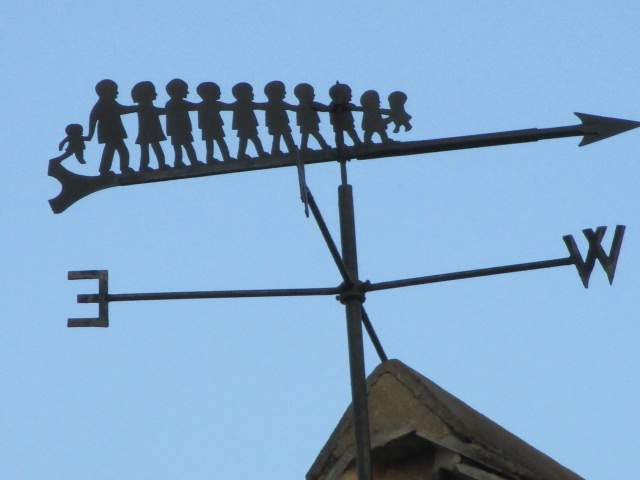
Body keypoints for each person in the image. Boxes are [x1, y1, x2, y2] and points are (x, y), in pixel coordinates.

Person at [87, 79, 136, 175]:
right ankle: (111, 169)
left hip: (114, 132)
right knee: (117, 151)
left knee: (114, 151)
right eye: (114, 90)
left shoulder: (109, 102)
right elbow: (93, 119)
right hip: (110, 133)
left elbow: (122, 109)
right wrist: (90, 135)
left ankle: (116, 168)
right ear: (105, 92)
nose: (117, 92)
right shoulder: (103, 104)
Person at [131, 81, 168, 171]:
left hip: (148, 131)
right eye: (152, 92)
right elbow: (155, 111)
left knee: (147, 149)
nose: (155, 94)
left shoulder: (144, 106)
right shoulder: (145, 106)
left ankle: (149, 165)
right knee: (153, 148)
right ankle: (158, 165)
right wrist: (168, 110)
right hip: (149, 131)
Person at [165, 78, 201, 168]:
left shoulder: (171, 103)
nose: (187, 92)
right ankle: (192, 161)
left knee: (179, 147)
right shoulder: (178, 103)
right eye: (185, 90)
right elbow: (195, 106)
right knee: (187, 146)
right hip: (181, 129)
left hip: (176, 130)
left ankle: (179, 162)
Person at [230, 82, 267, 161]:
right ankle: (259, 153)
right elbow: (261, 106)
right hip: (246, 125)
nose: (252, 94)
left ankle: (243, 154)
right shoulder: (244, 104)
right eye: (250, 92)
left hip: (246, 125)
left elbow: (260, 106)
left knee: (245, 140)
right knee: (252, 139)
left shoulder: (240, 104)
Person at [196, 82, 232, 163]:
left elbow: (229, 107)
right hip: (213, 126)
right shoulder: (209, 104)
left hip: (209, 126)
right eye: (217, 91)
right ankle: (224, 157)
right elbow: (230, 107)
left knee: (212, 142)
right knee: (218, 141)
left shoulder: (202, 105)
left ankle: (215, 158)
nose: (219, 93)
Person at [263, 81, 297, 157]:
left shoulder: (272, 103)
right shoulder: (278, 103)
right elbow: (292, 108)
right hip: (280, 123)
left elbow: (292, 108)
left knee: (279, 136)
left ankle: (278, 150)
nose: (285, 93)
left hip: (279, 123)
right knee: (283, 136)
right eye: (282, 91)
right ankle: (289, 149)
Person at [293, 83, 331, 152]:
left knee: (306, 135)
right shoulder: (310, 104)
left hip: (305, 123)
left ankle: (304, 148)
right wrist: (329, 108)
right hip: (311, 122)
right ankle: (324, 146)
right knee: (315, 134)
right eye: (312, 94)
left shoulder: (300, 106)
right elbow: (322, 107)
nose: (314, 95)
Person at [328, 82, 362, 151]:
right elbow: (330, 110)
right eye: (349, 94)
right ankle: (340, 146)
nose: (351, 96)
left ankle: (357, 143)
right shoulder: (334, 105)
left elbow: (354, 107)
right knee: (340, 134)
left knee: (351, 132)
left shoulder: (345, 104)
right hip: (338, 122)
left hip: (347, 121)